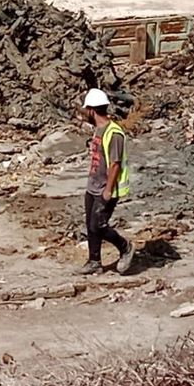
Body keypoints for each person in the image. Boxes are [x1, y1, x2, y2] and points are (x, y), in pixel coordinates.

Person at [80, 88, 134, 276]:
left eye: (86, 110)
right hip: (93, 185)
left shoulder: (114, 133)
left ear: (91, 110)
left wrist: (108, 190)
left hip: (106, 187)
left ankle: (125, 247)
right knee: (90, 225)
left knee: (99, 225)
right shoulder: (99, 129)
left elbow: (115, 164)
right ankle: (94, 260)